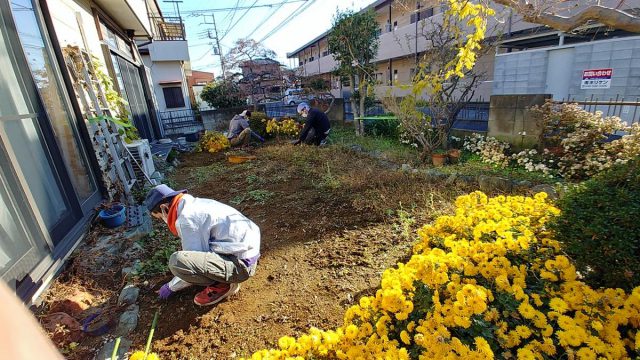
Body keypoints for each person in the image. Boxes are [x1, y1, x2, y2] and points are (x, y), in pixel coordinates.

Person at [145, 184, 260, 306]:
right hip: (249, 249)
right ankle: (225, 275)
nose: (163, 220)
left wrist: (171, 287)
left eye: (159, 217)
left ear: (164, 208)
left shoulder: (186, 219)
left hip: (241, 265)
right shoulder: (193, 204)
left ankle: (223, 285)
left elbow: (191, 259)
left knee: (177, 262)